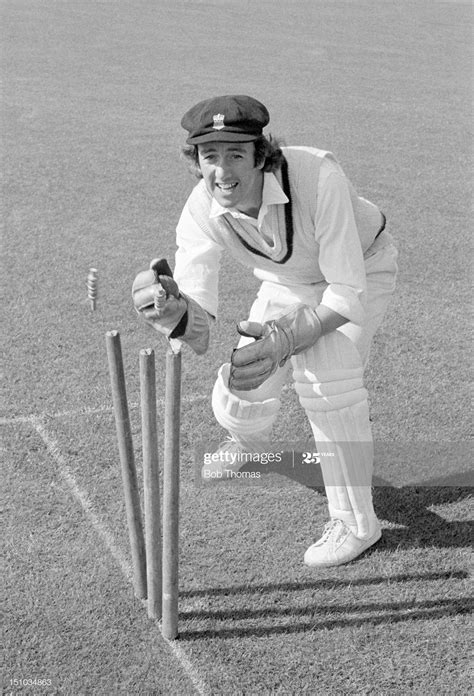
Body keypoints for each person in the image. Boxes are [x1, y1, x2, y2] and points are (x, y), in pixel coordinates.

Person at [132, 94, 398, 567]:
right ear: (196, 161)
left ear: (261, 154)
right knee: (240, 388)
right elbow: (198, 325)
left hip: (360, 271)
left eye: (235, 153)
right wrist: (170, 311)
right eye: (209, 156)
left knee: (327, 379)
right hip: (288, 282)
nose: (222, 169)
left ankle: (357, 524)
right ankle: (248, 448)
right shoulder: (200, 209)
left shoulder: (318, 176)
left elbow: (346, 293)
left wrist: (289, 338)